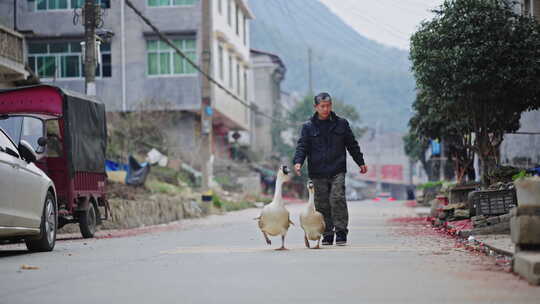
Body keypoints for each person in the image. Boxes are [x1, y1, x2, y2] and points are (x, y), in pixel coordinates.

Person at [293, 92, 367, 246]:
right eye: (322, 106)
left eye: (328, 106)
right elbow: (302, 146)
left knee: (337, 198)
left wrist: (360, 162)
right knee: (322, 204)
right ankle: (327, 233)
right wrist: (298, 162)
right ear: (316, 107)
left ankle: (341, 232)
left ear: (331, 105)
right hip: (317, 171)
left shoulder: (341, 124)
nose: (326, 109)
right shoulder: (308, 127)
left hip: (337, 169)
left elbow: (352, 144)